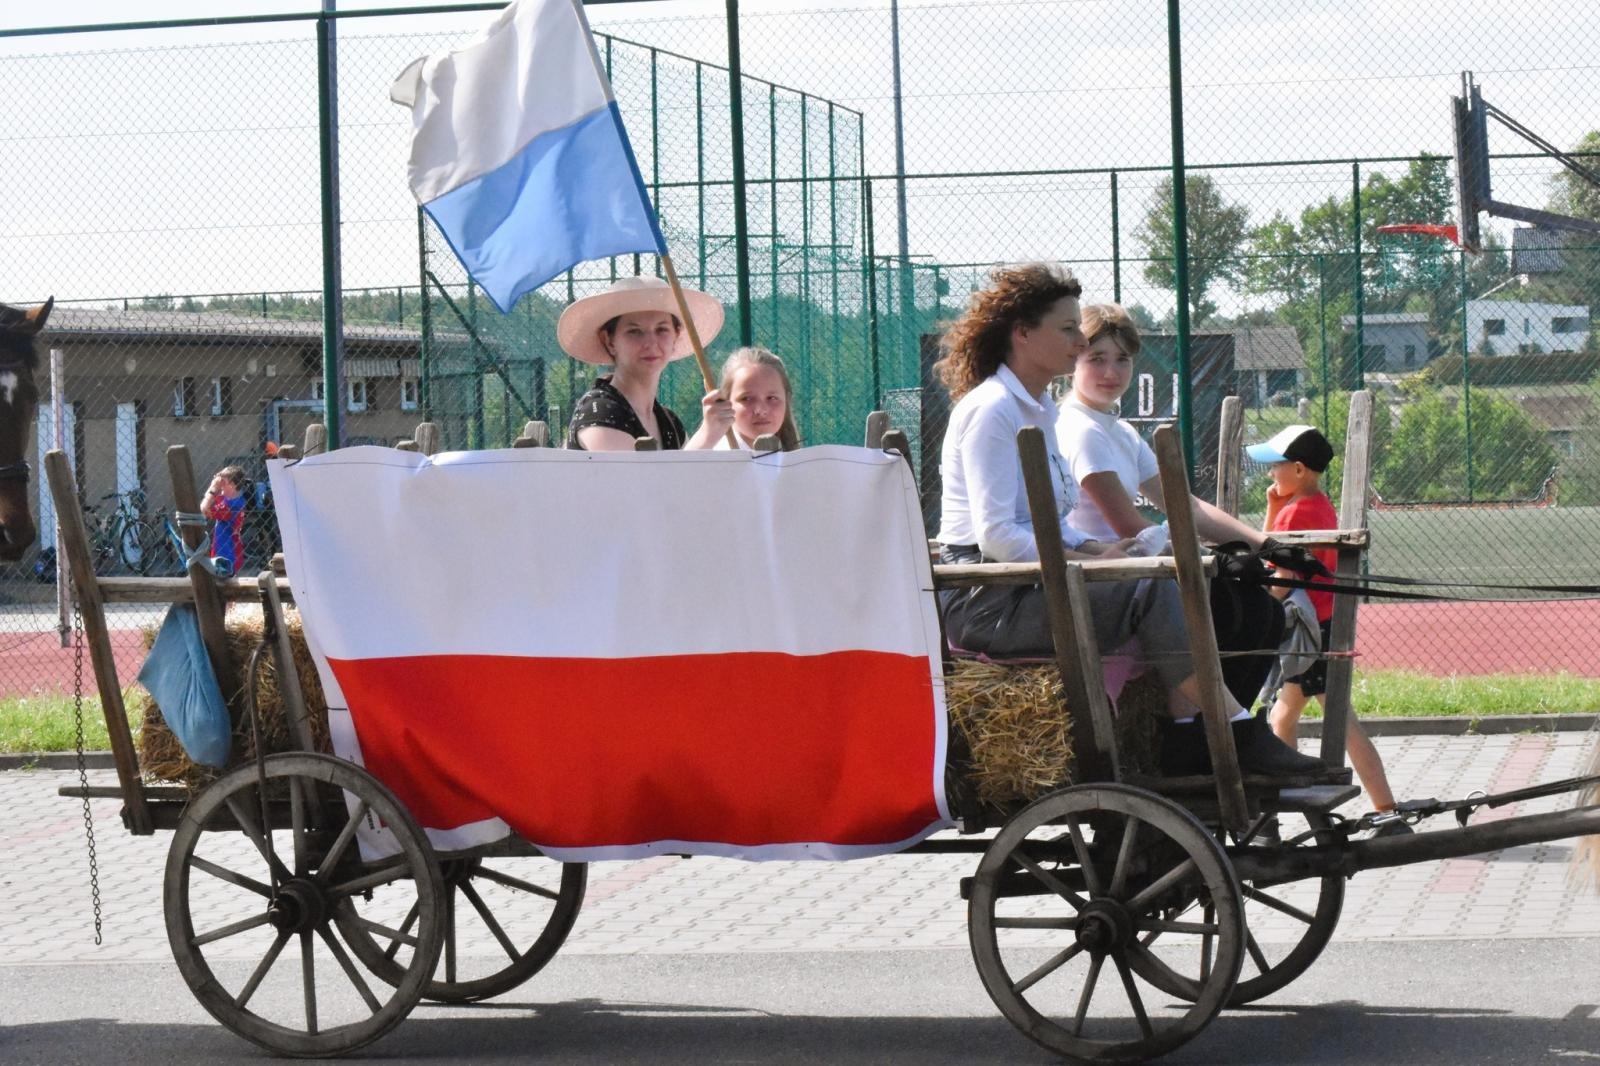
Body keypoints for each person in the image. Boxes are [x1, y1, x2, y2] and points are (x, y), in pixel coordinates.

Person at [933, 263, 1322, 777]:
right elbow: (998, 536)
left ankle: (1197, 737)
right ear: (1023, 334)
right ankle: (1231, 731)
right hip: (987, 600)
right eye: (1068, 329)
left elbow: (1059, 526)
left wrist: (1100, 553)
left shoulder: (1039, 410)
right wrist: (1095, 559)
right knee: (1153, 584)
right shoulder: (992, 410)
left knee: (1180, 583)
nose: (1077, 341)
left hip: (1027, 585)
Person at [1056, 303, 1285, 708]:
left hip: (1140, 568)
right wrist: (1206, 556)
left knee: (1266, 614)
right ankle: (1203, 731)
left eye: (1122, 360)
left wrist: (1264, 544)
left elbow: (1184, 506)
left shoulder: (1120, 430)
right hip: (1112, 576)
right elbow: (1128, 525)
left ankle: (1223, 729)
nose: (1111, 373)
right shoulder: (1080, 429)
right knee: (1236, 609)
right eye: (1097, 359)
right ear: (1073, 361)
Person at [1251, 424, 1409, 833]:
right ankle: (1286, 802)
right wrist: (1273, 506)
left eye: (1277, 467)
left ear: (1299, 469)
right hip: (1319, 625)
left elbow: (1279, 569)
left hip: (1308, 631)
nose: (1272, 475)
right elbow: (1276, 544)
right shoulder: (1316, 503)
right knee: (1283, 716)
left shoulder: (1296, 510)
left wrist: (1257, 616)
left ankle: (1387, 809)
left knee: (1342, 722)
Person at [558, 276, 735, 451]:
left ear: (676, 336)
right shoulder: (599, 412)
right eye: (634, 331)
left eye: (662, 329)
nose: (651, 343)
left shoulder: (670, 423)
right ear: (610, 341)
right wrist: (706, 435)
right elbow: (639, 479)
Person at [716, 347, 802, 451]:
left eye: (771, 398)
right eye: (746, 398)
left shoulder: (799, 461)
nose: (761, 410)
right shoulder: (714, 459)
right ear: (725, 402)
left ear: (786, 400)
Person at [200, 465, 247, 578]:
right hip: (224, 550)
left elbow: (203, 509)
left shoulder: (233, 506)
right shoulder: (230, 499)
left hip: (227, 554)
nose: (220, 483)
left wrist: (213, 487)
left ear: (233, 485)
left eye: (223, 482)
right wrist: (220, 479)